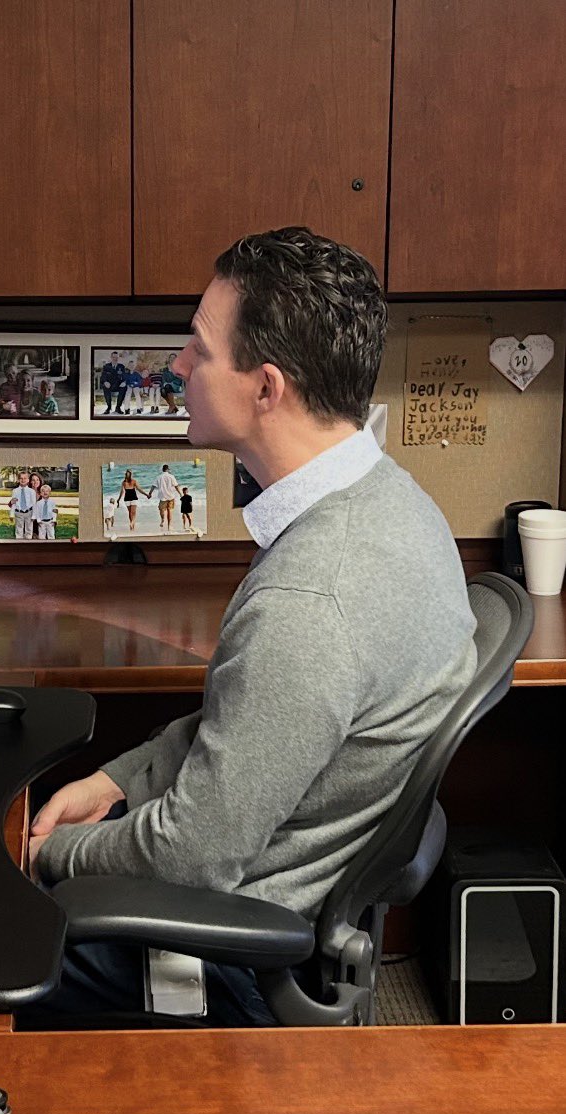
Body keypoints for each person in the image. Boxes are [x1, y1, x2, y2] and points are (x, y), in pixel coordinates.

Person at [28, 227, 477, 1025]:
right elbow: (250, 725)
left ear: (265, 388)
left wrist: (44, 856)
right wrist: (120, 779)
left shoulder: (313, 597)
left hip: (232, 951)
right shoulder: (394, 501)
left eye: (199, 352)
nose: (178, 369)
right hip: (268, 881)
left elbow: (193, 856)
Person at [7, 470, 36, 540]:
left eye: (25, 478)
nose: (23, 480)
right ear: (18, 480)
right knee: (19, 528)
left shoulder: (31, 491)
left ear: (28, 480)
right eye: (21, 478)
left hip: (29, 512)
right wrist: (11, 514)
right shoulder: (15, 491)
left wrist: (34, 515)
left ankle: (28, 542)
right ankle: (19, 541)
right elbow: (13, 503)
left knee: (29, 529)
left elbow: (34, 504)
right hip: (19, 512)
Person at [152, 463, 179, 533]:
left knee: (162, 510)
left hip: (162, 496)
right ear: (167, 469)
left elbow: (153, 486)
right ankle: (169, 526)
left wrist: (149, 493)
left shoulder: (159, 477)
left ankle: (162, 519)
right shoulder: (171, 476)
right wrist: (181, 494)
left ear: (162, 470)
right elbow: (176, 486)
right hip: (170, 496)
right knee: (169, 511)